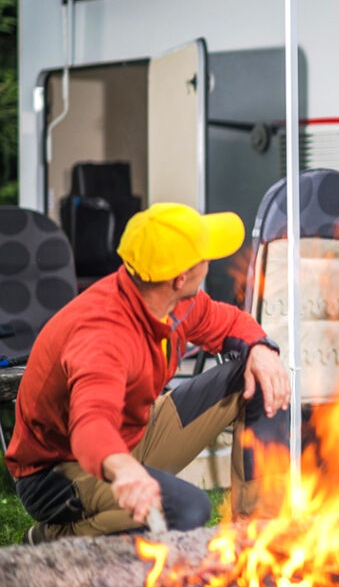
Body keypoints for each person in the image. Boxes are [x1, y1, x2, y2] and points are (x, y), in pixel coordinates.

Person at [5, 202, 291, 543]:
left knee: (260, 375)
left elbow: (229, 322)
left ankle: (257, 537)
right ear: (180, 277)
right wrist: (125, 470)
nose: (211, 257)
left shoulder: (176, 301)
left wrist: (261, 347)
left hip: (132, 433)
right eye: (205, 253)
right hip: (60, 470)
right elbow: (91, 425)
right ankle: (53, 538)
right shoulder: (103, 335)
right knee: (186, 511)